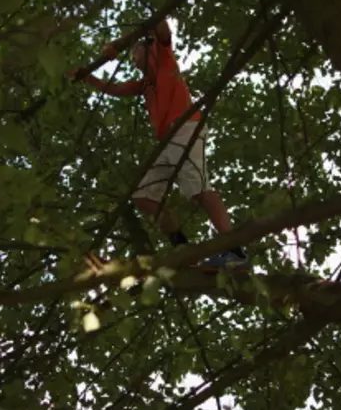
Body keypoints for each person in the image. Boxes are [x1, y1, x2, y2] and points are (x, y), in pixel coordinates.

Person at [69, 18, 248, 270]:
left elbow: (160, 25)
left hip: (186, 128)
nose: (133, 59)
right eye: (130, 56)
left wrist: (121, 43)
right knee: (143, 195)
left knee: (199, 189)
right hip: (166, 141)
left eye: (135, 52)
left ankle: (234, 251)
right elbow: (115, 89)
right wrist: (86, 76)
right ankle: (183, 250)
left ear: (148, 47)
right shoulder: (145, 85)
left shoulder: (163, 57)